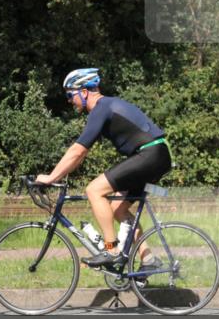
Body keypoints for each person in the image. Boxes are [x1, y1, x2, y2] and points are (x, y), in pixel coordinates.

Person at [36, 68, 172, 267]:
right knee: (117, 209)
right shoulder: (105, 106)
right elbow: (79, 156)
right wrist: (61, 173)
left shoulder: (101, 108)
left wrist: (51, 178)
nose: (69, 101)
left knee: (94, 190)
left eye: (70, 95)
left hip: (150, 154)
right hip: (156, 155)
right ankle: (148, 258)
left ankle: (111, 250)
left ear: (84, 92)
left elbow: (77, 151)